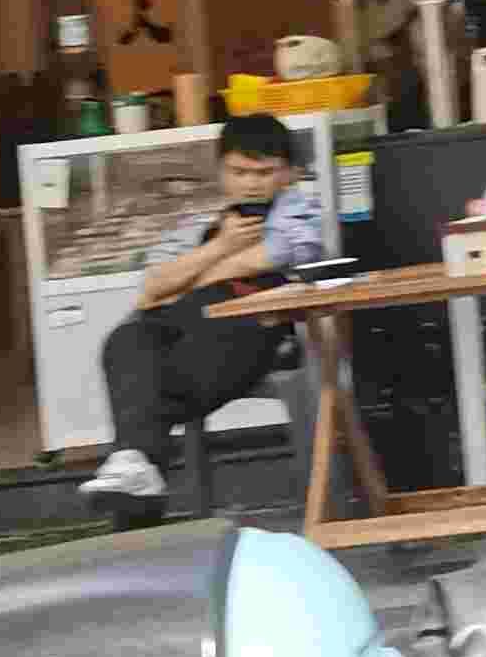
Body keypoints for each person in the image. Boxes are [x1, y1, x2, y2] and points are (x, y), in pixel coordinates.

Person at [85, 112, 330, 519]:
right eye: (239, 172)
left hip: (247, 330)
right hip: (179, 328)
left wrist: (197, 278)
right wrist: (219, 247)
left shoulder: (299, 214)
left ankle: (134, 483)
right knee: (125, 341)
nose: (251, 183)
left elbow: (288, 252)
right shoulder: (200, 225)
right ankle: (136, 469)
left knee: (144, 392)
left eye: (264, 172)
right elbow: (152, 289)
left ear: (288, 174)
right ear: (220, 172)